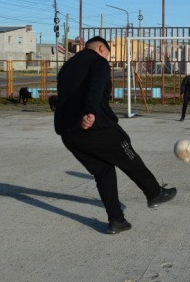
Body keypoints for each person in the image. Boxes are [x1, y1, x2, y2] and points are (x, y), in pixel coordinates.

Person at [54, 36, 176, 234]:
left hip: (69, 134)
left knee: (103, 172)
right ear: (101, 48)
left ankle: (116, 220)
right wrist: (91, 112)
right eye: (108, 55)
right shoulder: (98, 61)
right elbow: (95, 89)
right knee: (127, 152)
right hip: (95, 126)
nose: (108, 59)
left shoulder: (68, 66)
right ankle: (154, 192)